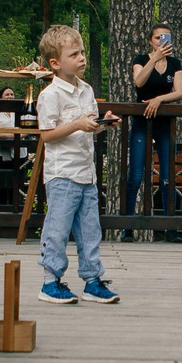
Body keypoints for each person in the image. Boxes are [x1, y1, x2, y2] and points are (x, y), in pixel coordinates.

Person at [35, 23, 118, 305]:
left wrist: (103, 124)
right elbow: (47, 135)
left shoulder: (87, 90)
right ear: (55, 63)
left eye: (82, 52)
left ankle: (92, 280)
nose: (82, 58)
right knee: (57, 229)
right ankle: (50, 281)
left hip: (87, 174)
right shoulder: (50, 96)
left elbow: (88, 127)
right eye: (74, 54)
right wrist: (77, 124)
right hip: (62, 174)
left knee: (90, 229)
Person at [126, 21, 181, 219]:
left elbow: (179, 92)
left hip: (164, 122)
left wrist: (159, 99)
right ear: (151, 40)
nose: (161, 41)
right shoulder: (140, 59)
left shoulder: (174, 64)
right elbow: (139, 81)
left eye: (166, 38)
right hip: (142, 121)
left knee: (166, 176)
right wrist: (154, 59)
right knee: (136, 175)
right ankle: (128, 226)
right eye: (158, 37)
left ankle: (169, 225)